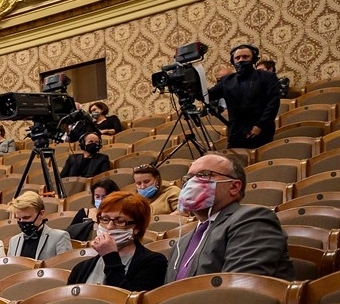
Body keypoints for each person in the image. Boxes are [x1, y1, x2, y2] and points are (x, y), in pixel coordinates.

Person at [167, 153, 294, 281]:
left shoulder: (253, 220)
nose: (192, 182)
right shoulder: (181, 243)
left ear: (234, 187)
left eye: (204, 174)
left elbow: (239, 286)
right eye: (189, 178)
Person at [68, 191, 168, 289]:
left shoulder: (153, 262)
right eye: (105, 219)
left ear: (136, 228)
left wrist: (110, 257)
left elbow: (130, 297)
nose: (109, 227)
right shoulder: (80, 269)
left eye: (120, 221)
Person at [207, 43, 283, 149]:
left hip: (261, 132)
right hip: (236, 134)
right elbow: (208, 95)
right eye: (237, 58)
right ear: (233, 61)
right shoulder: (226, 81)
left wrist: (260, 126)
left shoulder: (267, 77)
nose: (241, 60)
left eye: (245, 57)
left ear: (254, 59)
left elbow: (273, 103)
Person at [6, 192, 73, 261]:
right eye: (19, 219)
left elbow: (64, 265)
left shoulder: (59, 237)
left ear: (41, 214)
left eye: (26, 218)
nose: (22, 222)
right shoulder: (13, 241)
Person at [66, 178, 120, 242]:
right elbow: (70, 235)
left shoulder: (121, 215)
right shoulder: (84, 212)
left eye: (104, 197)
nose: (100, 200)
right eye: (97, 197)